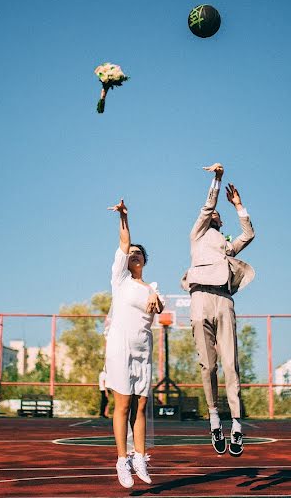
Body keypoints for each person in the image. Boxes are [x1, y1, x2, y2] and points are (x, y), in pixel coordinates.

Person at [181, 163, 255, 457]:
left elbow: (248, 234)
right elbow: (207, 204)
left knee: (230, 364)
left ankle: (236, 424)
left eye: (217, 214)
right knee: (207, 365)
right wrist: (217, 179)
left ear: (221, 223)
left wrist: (238, 206)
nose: (214, 214)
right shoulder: (197, 235)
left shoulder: (226, 246)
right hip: (199, 298)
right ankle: (214, 418)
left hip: (224, 300)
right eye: (211, 213)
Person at [105, 199, 164, 488]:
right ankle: (121, 460)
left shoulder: (152, 288)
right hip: (120, 348)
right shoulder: (120, 280)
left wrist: (154, 297)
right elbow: (124, 239)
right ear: (125, 260)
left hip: (143, 349)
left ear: (145, 260)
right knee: (123, 405)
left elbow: (159, 308)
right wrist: (124, 217)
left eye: (139, 253)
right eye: (131, 253)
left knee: (141, 407)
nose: (134, 255)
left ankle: (140, 456)